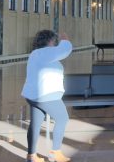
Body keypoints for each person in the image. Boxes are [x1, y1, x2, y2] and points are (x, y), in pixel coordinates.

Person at [21, 30, 73, 162]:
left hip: (34, 96)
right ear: (49, 41)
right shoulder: (44, 52)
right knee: (63, 119)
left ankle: (31, 156)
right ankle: (56, 152)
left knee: (36, 124)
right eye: (54, 41)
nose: (55, 43)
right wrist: (65, 39)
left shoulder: (37, 54)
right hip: (46, 96)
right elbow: (65, 50)